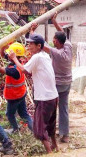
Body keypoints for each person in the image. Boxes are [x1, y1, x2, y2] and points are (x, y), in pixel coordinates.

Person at [9, 34, 59, 153]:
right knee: (51, 124)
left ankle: (49, 152)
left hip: (44, 98)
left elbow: (24, 70)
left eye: (31, 44)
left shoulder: (37, 58)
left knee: (39, 128)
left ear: (39, 46)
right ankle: (55, 146)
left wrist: (14, 58)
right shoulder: (45, 56)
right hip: (52, 96)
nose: (28, 46)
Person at [42, 13, 72, 143]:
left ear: (57, 42)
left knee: (51, 108)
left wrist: (32, 31)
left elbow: (41, 45)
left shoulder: (57, 53)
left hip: (58, 84)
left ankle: (50, 134)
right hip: (67, 83)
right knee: (64, 108)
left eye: (54, 39)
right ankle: (65, 135)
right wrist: (54, 21)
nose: (52, 41)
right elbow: (62, 33)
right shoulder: (68, 46)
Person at [0, 42, 33, 134]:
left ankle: (15, 129)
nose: (8, 55)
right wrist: (4, 45)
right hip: (20, 94)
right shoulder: (17, 62)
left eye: (10, 54)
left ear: (14, 56)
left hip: (14, 96)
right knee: (24, 114)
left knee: (9, 114)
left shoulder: (14, 70)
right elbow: (2, 54)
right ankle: (35, 131)